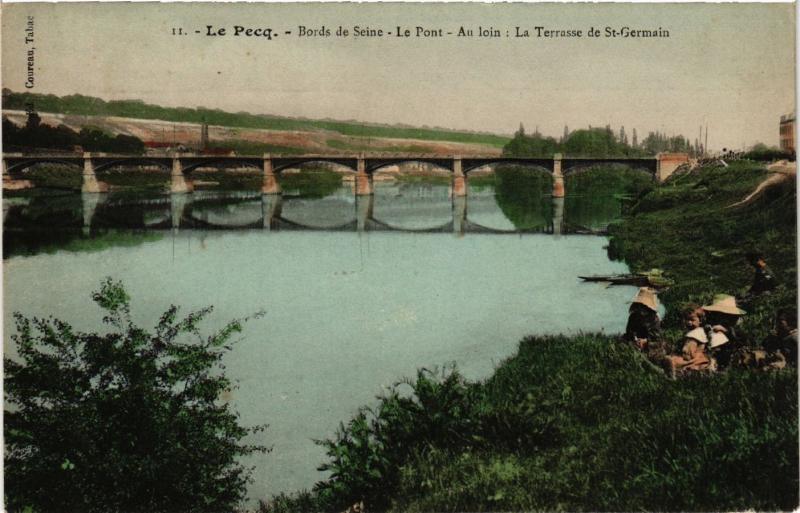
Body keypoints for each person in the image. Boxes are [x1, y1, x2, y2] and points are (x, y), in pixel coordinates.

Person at [703, 294, 746, 371]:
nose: (720, 318)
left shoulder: (735, 330)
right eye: (716, 314)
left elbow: (741, 341)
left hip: (730, 356)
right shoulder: (709, 325)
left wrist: (726, 331)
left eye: (724, 315)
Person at [669, 308, 711, 376]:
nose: (689, 322)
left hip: (693, 357)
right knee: (674, 359)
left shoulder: (696, 334)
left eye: (692, 320)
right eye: (687, 320)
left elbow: (690, 350)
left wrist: (685, 353)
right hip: (693, 356)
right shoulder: (696, 331)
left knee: (675, 361)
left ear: (700, 321)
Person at [624, 287, 662, 352]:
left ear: (648, 308)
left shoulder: (654, 319)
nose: (641, 308)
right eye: (639, 305)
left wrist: (645, 341)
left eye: (643, 306)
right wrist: (634, 339)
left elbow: (656, 338)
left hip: (648, 345)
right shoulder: (633, 317)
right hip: (635, 343)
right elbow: (629, 332)